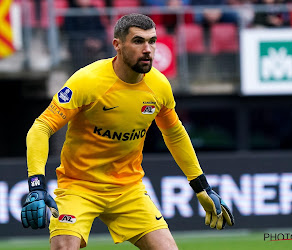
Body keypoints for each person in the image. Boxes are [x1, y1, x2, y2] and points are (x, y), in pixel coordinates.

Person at [21, 13, 234, 249]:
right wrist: (36, 187)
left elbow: (175, 134)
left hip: (128, 189)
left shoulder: (159, 85)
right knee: (63, 246)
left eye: (152, 41)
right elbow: (41, 127)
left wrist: (201, 186)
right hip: (78, 186)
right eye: (138, 41)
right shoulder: (87, 81)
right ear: (117, 45)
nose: (148, 49)